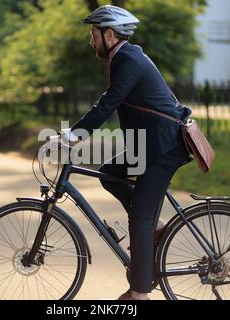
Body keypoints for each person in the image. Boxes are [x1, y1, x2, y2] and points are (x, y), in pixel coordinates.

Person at [61, 4, 192, 300]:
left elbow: (108, 103)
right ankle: (157, 229)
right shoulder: (125, 58)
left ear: (109, 34)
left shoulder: (129, 59)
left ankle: (139, 294)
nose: (91, 40)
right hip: (151, 144)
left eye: (94, 34)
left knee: (139, 218)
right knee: (110, 173)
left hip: (164, 147)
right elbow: (111, 100)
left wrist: (74, 134)